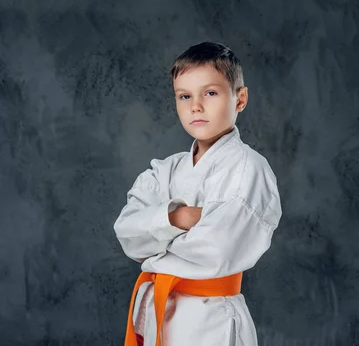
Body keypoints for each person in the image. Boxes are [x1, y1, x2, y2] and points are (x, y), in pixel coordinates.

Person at [113, 41, 282, 346]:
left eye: (211, 93)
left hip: (211, 321)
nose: (196, 106)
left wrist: (155, 240)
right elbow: (127, 232)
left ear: (240, 99)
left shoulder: (248, 168)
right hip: (159, 315)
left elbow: (218, 248)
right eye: (185, 96)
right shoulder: (164, 169)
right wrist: (178, 216)